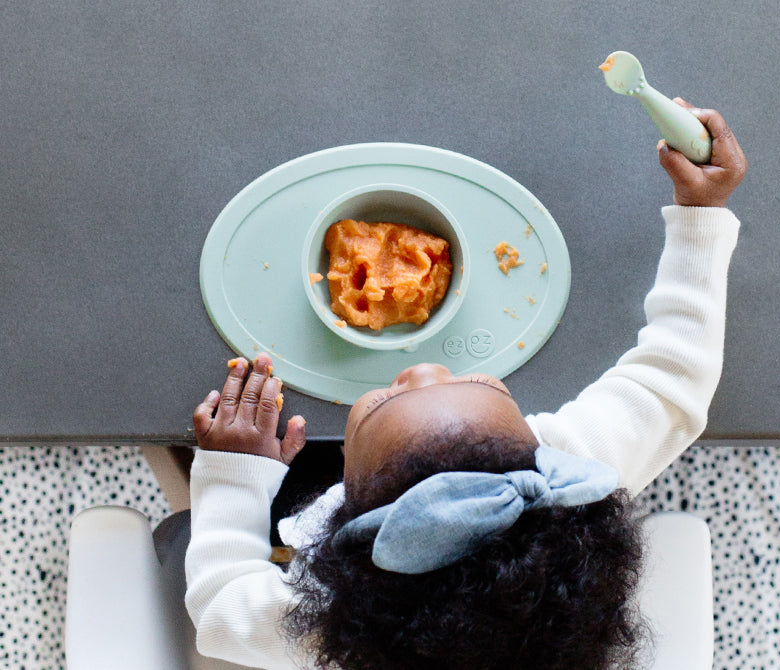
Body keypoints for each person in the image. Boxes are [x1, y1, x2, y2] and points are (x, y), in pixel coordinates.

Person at [185, 100, 747, 670]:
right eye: (483, 385)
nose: (426, 368)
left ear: (349, 511)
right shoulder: (556, 480)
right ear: (540, 459)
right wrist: (702, 210)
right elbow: (674, 378)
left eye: (383, 399)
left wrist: (234, 473)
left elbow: (220, 609)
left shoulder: (325, 624)